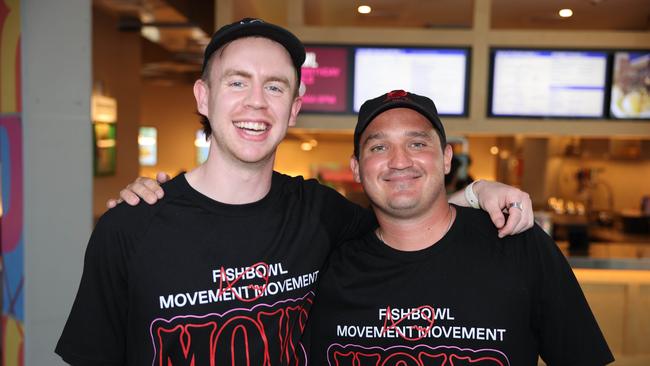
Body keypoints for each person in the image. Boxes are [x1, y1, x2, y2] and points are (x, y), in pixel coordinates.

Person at [56, 18, 533, 365]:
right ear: (204, 96)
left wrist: (477, 192)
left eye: (276, 87)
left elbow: (406, 216)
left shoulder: (319, 212)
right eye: (237, 82)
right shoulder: (130, 226)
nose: (256, 103)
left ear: (295, 108)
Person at [305, 90, 613, 365]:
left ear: (446, 158)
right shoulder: (326, 260)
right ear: (357, 168)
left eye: (417, 143)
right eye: (379, 148)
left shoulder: (518, 244)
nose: (399, 161)